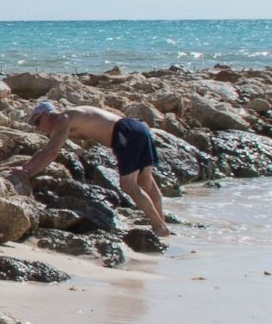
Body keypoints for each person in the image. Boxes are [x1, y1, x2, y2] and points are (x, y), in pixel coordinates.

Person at [10, 100, 171, 238]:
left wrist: (29, 173)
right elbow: (46, 150)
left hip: (125, 134)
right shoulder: (70, 117)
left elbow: (52, 152)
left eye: (37, 122)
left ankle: (159, 226)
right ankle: (162, 226)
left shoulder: (64, 118)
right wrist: (25, 168)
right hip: (137, 128)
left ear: (46, 115)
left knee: (128, 185)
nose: (38, 128)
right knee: (145, 182)